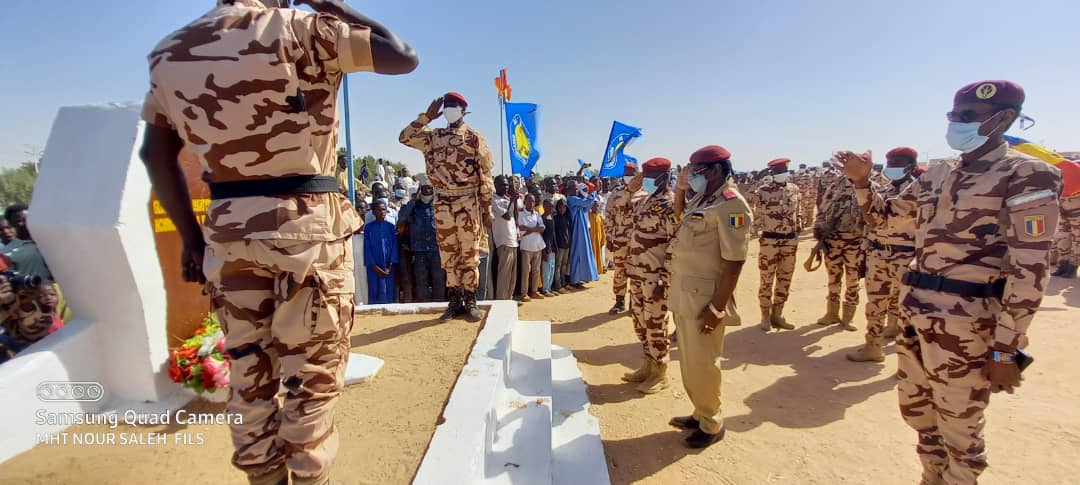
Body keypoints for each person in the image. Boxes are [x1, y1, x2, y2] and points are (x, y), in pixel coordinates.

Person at [138, 1, 417, 484]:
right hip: (305, 233)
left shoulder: (170, 51)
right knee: (312, 385)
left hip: (228, 238)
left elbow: (155, 154)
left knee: (249, 382)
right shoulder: (304, 29)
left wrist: (191, 240)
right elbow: (401, 55)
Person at [837, 80, 1061, 485]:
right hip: (916, 316)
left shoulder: (1028, 175)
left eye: (965, 117)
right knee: (920, 416)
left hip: (969, 326)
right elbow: (885, 219)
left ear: (1004, 118)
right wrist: (860, 182)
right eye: (952, 116)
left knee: (961, 430)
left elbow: (1031, 270)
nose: (955, 123)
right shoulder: (939, 172)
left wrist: (1006, 350)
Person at [667, 145, 750, 449]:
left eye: (697, 172)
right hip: (687, 294)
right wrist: (680, 190)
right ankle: (700, 412)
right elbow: (679, 221)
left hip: (706, 300)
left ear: (716, 170)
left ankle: (712, 423)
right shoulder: (704, 198)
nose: (693, 177)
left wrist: (717, 308)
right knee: (690, 363)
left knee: (704, 363)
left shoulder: (731, 205)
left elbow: (735, 260)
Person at [400, 92, 494, 322]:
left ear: (463, 110)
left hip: (467, 201)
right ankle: (454, 300)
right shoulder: (433, 137)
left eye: (454, 106)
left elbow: (486, 175)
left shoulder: (474, 138)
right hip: (442, 202)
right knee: (449, 254)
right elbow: (404, 137)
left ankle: (470, 299)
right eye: (447, 106)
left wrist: (487, 207)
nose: (450, 109)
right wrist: (425, 118)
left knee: (469, 253)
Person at [846, 147, 919, 363]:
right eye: (890, 163)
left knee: (909, 311)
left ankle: (908, 362)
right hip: (878, 254)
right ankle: (873, 347)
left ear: (911, 166)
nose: (893, 168)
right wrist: (864, 255)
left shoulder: (920, 191)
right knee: (875, 304)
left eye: (898, 163)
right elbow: (871, 221)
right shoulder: (884, 190)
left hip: (907, 256)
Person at [620, 158, 677, 395]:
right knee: (640, 321)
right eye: (646, 176)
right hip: (638, 273)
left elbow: (676, 243)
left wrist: (664, 279)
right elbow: (622, 212)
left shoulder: (672, 204)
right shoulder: (644, 200)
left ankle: (660, 371)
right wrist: (630, 189)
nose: (649, 180)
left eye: (653, 176)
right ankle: (647, 364)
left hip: (656, 277)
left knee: (656, 324)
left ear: (665, 176)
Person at [814, 159, 866, 331]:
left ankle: (848, 318)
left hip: (855, 241)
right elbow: (823, 209)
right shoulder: (835, 185)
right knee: (833, 278)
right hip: (833, 241)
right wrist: (819, 230)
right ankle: (831, 314)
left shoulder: (867, 185)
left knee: (853, 279)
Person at [751, 158, 801, 332]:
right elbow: (748, 199)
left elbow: (798, 213)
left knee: (785, 278)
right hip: (769, 241)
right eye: (778, 170)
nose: (783, 173)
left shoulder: (794, 189)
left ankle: (778, 315)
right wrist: (759, 179)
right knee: (767, 279)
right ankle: (765, 316)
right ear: (772, 172)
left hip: (789, 241)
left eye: (784, 169)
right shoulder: (763, 190)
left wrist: (797, 232)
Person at [604, 163, 646, 314]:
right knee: (620, 270)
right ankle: (619, 302)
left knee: (636, 271)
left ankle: (634, 304)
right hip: (620, 239)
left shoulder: (646, 193)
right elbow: (608, 215)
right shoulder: (616, 193)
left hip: (640, 241)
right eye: (626, 173)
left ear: (637, 174)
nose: (628, 176)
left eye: (631, 173)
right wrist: (609, 237)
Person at [398, 175, 446, 302]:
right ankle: (425, 304)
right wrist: (413, 200)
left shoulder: (439, 204)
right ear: (420, 189)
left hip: (436, 248)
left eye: (430, 188)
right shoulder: (414, 205)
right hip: (419, 249)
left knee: (438, 278)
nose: (428, 190)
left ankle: (439, 304)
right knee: (421, 278)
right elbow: (402, 217)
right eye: (425, 188)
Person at [2, 205, 53, 282]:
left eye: (28, 219)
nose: (26, 223)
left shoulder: (48, 242)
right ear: (11, 224)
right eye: (19, 221)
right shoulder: (5, 254)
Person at [564, 181, 598, 288]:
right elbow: (585, 203)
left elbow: (586, 207)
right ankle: (574, 279)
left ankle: (581, 277)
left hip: (582, 228)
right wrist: (592, 192)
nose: (576, 190)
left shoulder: (577, 199)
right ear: (569, 189)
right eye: (574, 188)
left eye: (577, 188)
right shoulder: (571, 199)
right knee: (577, 254)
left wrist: (589, 197)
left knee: (583, 253)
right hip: (576, 229)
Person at [491, 175, 520, 301]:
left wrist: (513, 200)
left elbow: (514, 217)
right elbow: (506, 216)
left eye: (507, 185)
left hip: (513, 240)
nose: (506, 187)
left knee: (512, 276)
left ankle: (509, 298)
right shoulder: (494, 199)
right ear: (496, 185)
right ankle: (501, 300)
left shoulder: (507, 199)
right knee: (504, 274)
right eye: (503, 185)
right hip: (503, 241)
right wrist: (512, 201)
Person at [364, 201, 399, 304]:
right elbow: (367, 248)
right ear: (374, 212)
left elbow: (394, 246)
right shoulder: (369, 228)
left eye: (384, 209)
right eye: (379, 210)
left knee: (388, 288)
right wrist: (374, 266)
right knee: (374, 288)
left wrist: (389, 266)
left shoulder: (390, 227)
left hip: (388, 264)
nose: (382, 212)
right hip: (374, 265)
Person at [517, 194, 546, 302]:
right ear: (525, 202)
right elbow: (521, 229)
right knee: (526, 271)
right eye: (529, 201)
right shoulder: (521, 214)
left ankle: (534, 291)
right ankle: (524, 293)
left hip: (537, 245)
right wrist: (535, 229)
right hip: (526, 246)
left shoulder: (537, 214)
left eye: (533, 201)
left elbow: (542, 227)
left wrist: (530, 229)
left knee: (536, 270)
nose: (531, 203)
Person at [1051, 190, 1080, 278]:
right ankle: (1063, 264)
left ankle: (1073, 266)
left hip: (1077, 200)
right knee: (1062, 235)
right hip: (1062, 200)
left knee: (1077, 237)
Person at [553, 199, 572, 293]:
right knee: (558, 265)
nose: (562, 209)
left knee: (564, 265)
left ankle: (563, 283)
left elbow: (569, 231)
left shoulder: (568, 218)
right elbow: (554, 233)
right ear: (557, 208)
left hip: (567, 245)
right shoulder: (555, 218)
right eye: (560, 207)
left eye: (564, 207)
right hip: (559, 245)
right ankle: (558, 285)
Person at [540, 199, 558, 297]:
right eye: (549, 206)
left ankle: (549, 288)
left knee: (552, 267)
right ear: (544, 206)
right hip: (545, 247)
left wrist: (555, 247)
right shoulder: (542, 218)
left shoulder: (552, 217)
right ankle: (545, 289)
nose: (551, 208)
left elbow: (553, 234)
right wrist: (543, 251)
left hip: (552, 246)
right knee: (546, 269)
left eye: (552, 206)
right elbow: (541, 236)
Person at [793, 163, 816, 232]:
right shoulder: (796, 176)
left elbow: (810, 185)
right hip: (796, 196)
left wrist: (804, 189)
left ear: (805, 168)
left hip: (804, 196)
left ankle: (802, 225)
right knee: (796, 210)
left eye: (802, 167)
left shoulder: (808, 176)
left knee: (803, 210)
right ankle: (797, 225)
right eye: (800, 167)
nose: (801, 169)